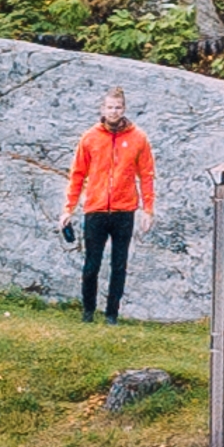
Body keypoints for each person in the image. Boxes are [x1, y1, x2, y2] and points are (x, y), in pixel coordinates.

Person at [66, 88, 154, 321]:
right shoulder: (90, 137)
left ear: (123, 109)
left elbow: (146, 175)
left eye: (118, 107)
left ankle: (112, 313)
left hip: (124, 210)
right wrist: (69, 208)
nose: (113, 112)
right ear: (102, 109)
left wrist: (148, 209)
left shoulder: (138, 138)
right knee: (91, 266)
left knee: (119, 265)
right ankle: (87, 312)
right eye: (109, 107)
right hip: (95, 209)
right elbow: (77, 174)